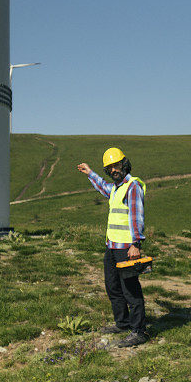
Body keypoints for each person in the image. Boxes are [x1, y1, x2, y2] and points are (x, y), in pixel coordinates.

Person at [77, 147, 148, 348]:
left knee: (130, 290)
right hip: (112, 247)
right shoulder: (116, 188)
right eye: (110, 168)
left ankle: (139, 331)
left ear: (124, 164)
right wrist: (90, 173)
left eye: (116, 166)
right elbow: (103, 187)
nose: (114, 170)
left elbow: (137, 216)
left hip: (127, 248)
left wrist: (136, 243)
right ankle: (123, 323)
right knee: (113, 287)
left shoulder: (132, 187)